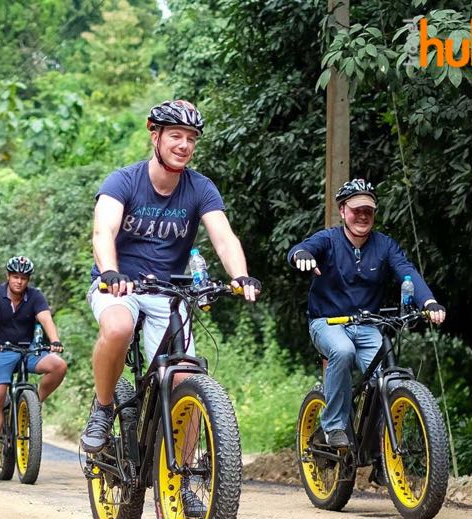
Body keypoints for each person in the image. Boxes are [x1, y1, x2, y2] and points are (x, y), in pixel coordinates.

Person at [81, 99, 261, 455]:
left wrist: (240, 275)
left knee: (187, 379)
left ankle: (182, 477)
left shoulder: (200, 188)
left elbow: (223, 237)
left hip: (168, 291)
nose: (183, 145)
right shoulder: (123, 181)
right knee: (117, 328)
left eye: (191, 138)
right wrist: (111, 271)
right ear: (155, 135)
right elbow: (103, 231)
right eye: (175, 135)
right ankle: (103, 409)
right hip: (120, 285)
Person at [287, 178, 446, 454]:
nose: (362, 216)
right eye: (356, 209)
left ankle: (381, 451)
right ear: (343, 211)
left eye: (368, 211)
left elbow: (407, 272)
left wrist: (429, 301)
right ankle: (334, 426)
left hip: (368, 325)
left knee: (391, 381)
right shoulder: (329, 239)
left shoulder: (384, 245)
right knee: (343, 350)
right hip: (327, 322)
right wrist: (301, 255)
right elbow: (300, 250)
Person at [0, 256, 68, 469]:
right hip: (0, 349)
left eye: (23, 278)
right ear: (8, 276)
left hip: (29, 350)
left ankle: (31, 404)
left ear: (28, 279)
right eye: (15, 277)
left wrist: (54, 341)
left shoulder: (35, 296)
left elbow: (46, 319)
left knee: (59, 365)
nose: (19, 281)